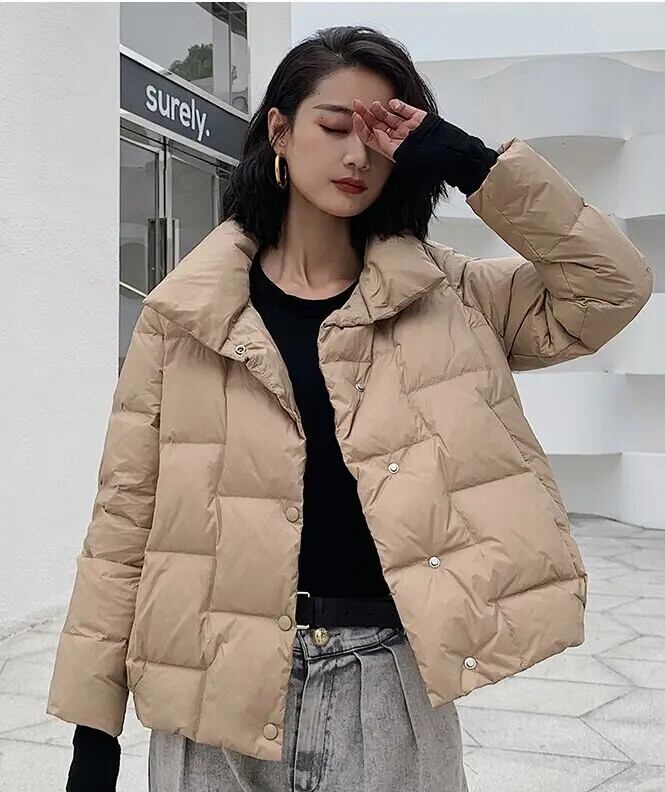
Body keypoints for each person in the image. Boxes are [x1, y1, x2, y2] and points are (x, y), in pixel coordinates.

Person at [46, 24, 653, 792]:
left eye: (380, 135)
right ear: (279, 131)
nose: (357, 155)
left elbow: (611, 285)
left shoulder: (453, 295)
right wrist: (93, 730)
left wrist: (470, 164)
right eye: (334, 127)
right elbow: (124, 519)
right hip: (212, 688)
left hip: (384, 684)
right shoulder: (183, 317)